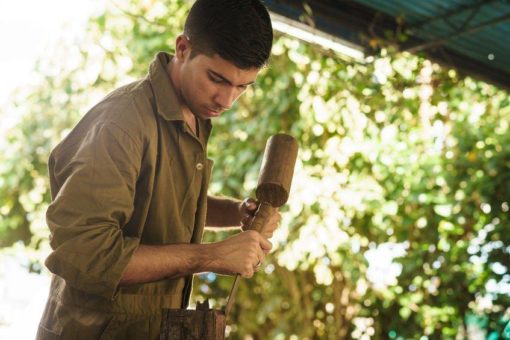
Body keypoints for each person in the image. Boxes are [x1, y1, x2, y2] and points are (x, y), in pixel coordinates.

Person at [36, 0, 279, 338]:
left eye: (242, 87)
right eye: (217, 79)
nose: (227, 100)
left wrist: (236, 212)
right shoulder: (121, 124)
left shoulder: (194, 113)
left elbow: (164, 203)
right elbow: (85, 253)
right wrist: (210, 256)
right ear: (182, 48)